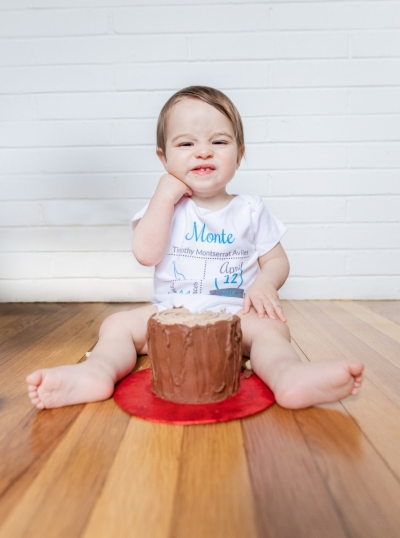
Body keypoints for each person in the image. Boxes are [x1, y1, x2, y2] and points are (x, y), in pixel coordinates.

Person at [26, 86, 364, 410]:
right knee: (116, 325)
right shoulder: (165, 207)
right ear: (164, 157)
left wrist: (264, 283)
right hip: (168, 314)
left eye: (218, 141)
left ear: (239, 154)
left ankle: (289, 376)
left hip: (234, 317)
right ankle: (96, 373)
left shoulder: (250, 209)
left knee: (273, 332)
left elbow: (277, 260)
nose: (203, 151)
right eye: (186, 143)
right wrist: (165, 193)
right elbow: (145, 253)